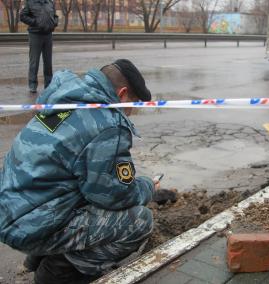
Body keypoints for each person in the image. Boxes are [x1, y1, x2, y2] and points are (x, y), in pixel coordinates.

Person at [0, 59, 158, 283]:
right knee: (139, 222)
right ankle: (58, 272)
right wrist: (148, 187)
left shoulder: (65, 99)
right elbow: (114, 196)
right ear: (122, 94)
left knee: (76, 187)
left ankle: (38, 257)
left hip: (11, 210)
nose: (131, 112)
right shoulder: (108, 124)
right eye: (133, 105)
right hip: (32, 224)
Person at [20, 0, 59, 93]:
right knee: (34, 62)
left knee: (48, 62)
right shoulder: (30, 2)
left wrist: (54, 22)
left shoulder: (50, 2)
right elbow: (22, 16)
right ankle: (32, 85)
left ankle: (48, 85)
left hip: (48, 35)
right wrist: (35, 22)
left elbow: (55, 16)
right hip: (35, 35)